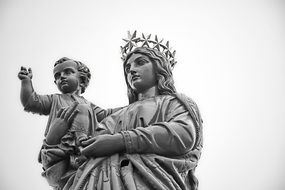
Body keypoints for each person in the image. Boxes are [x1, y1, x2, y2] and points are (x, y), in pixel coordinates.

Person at [48, 31, 203, 190]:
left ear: (160, 67)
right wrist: (52, 142)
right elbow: (64, 178)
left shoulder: (173, 102)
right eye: (127, 68)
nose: (131, 70)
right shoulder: (113, 117)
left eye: (140, 62)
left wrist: (120, 141)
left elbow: (184, 135)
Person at [18, 57, 118, 189]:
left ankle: (82, 144)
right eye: (58, 76)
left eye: (68, 72)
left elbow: (106, 115)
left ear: (82, 79)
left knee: (85, 109)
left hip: (82, 152)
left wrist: (134, 105)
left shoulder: (88, 105)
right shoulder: (55, 99)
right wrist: (26, 81)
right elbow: (30, 102)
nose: (62, 77)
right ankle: (81, 144)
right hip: (61, 148)